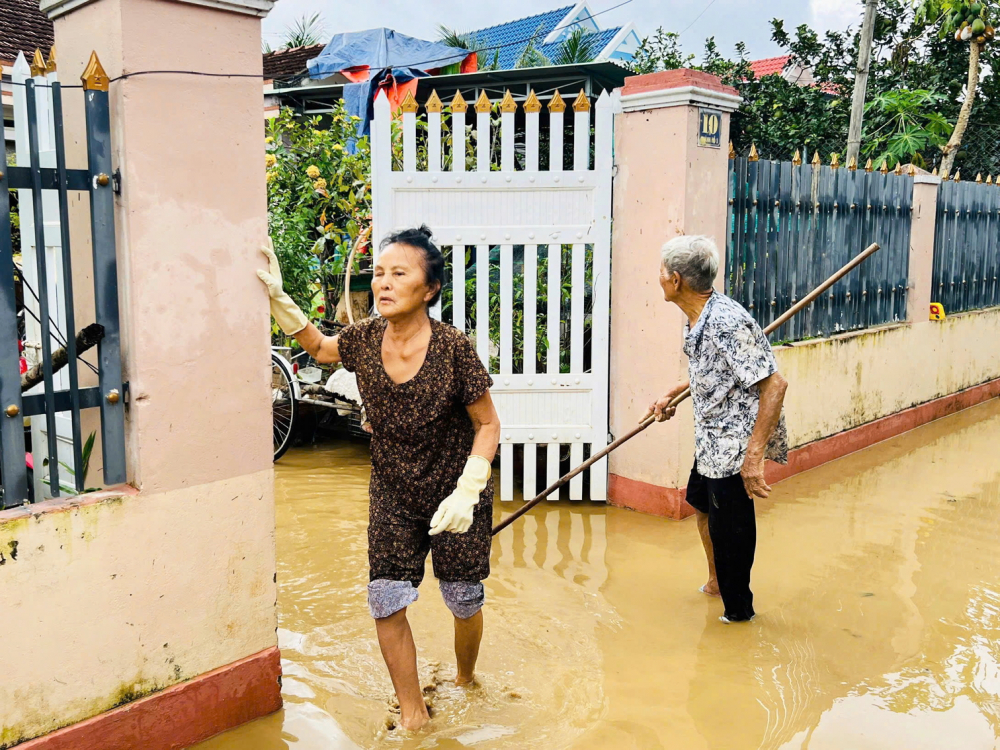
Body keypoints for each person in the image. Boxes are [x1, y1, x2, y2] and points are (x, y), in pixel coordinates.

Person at [258, 226, 501, 730]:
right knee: (386, 599)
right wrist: (283, 304)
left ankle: (465, 678)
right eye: (378, 274)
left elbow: (488, 423)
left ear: (429, 288)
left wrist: (469, 487)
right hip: (393, 490)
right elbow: (323, 350)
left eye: (399, 273)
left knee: (463, 597)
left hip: (456, 490)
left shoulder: (454, 349)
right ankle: (413, 714)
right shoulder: (365, 339)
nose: (382, 284)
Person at [645, 235, 788, 624]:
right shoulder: (700, 317)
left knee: (732, 533)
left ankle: (738, 614)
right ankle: (716, 581)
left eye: (661, 271)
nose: (657, 277)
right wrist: (676, 392)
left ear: (676, 280)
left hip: (733, 450)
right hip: (710, 440)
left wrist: (753, 458)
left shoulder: (726, 321)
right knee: (701, 505)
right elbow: (719, 371)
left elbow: (774, 385)